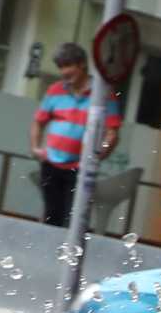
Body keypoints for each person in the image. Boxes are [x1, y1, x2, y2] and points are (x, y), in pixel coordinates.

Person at [31, 42, 121, 228]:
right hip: (51, 164)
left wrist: (98, 155)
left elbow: (112, 133)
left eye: (68, 66)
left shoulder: (103, 94)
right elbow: (38, 122)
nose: (64, 72)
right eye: (61, 67)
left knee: (73, 219)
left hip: (79, 169)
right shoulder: (55, 90)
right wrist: (36, 148)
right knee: (51, 215)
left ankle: (70, 255)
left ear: (82, 64)